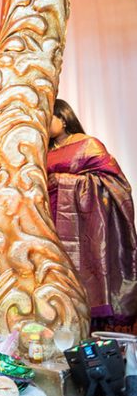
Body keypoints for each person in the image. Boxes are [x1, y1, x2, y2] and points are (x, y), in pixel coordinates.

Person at [47, 98, 137, 327]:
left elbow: (115, 183)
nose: (44, 124)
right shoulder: (45, 151)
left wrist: (65, 182)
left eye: (49, 118)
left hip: (84, 225)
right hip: (50, 223)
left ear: (64, 118)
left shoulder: (88, 145)